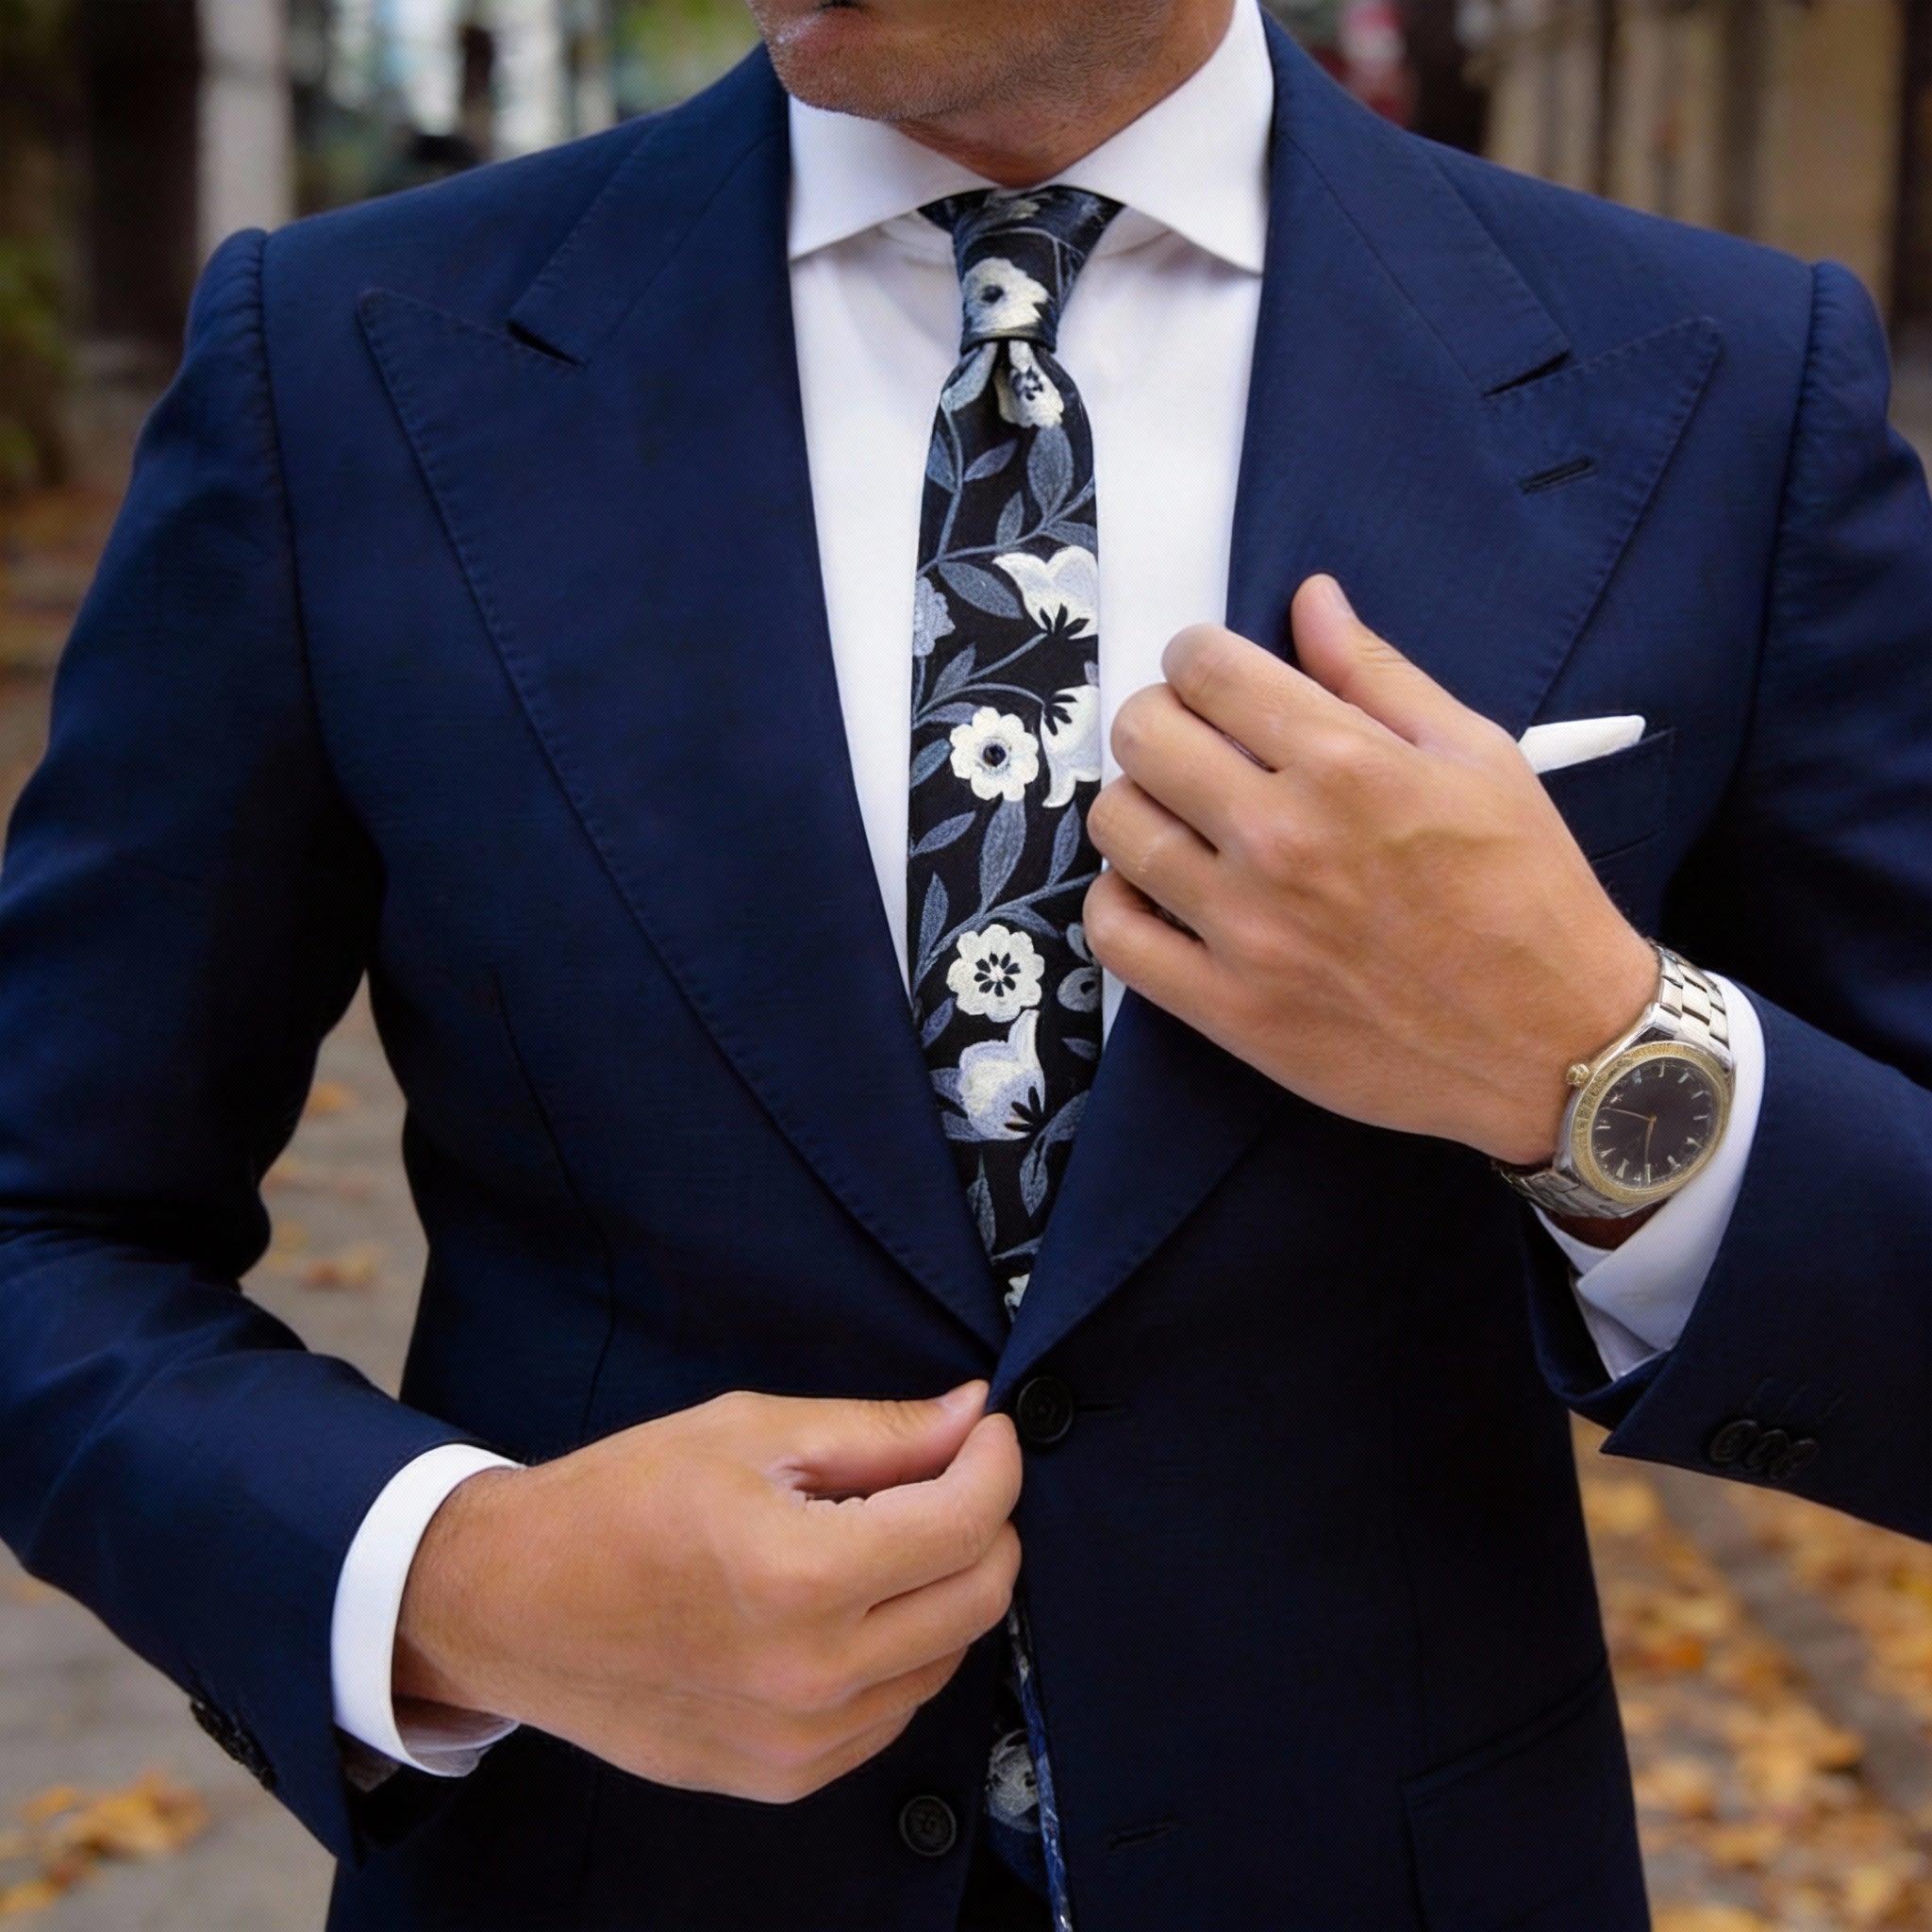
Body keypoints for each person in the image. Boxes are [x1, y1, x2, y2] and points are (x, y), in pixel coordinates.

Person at [0, 0, 1926, 1925]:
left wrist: (1595, 1068)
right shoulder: (338, 364)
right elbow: (45, 1221)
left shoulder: (1716, 385)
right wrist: (453, 1582)